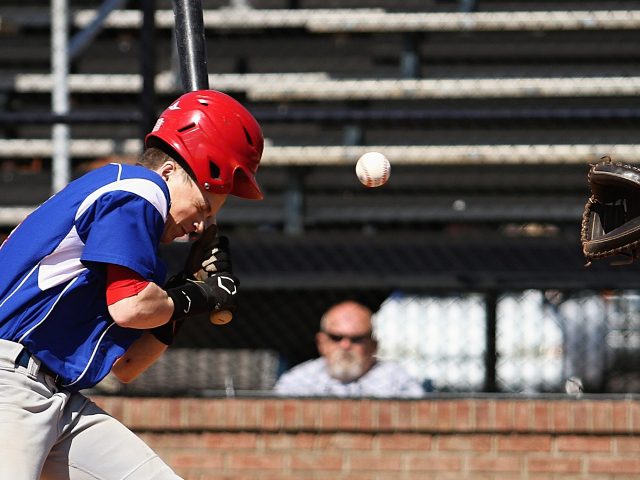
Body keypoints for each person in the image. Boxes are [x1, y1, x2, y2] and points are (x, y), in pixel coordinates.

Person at [0, 89, 263, 479]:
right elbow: (131, 306)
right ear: (170, 172)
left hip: (55, 396)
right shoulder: (138, 188)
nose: (199, 227)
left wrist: (185, 290)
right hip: (9, 382)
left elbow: (128, 364)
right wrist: (200, 295)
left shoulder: (138, 255)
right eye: (203, 208)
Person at [274, 300, 425, 398]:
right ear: (321, 342)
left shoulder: (396, 381)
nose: (345, 346)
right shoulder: (299, 381)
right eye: (336, 338)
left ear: (374, 345)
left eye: (357, 339)